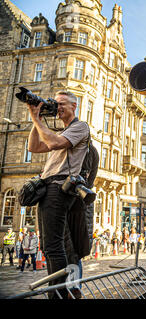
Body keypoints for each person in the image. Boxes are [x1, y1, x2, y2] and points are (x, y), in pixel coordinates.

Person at [26, 90, 90, 298]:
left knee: (54, 246)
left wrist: (37, 119)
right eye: (56, 103)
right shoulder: (60, 132)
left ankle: (59, 294)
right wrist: (38, 119)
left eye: (63, 103)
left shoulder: (80, 127)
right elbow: (34, 146)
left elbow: (54, 143)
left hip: (59, 187)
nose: (58, 106)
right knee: (47, 245)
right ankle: (60, 292)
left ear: (75, 106)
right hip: (48, 188)